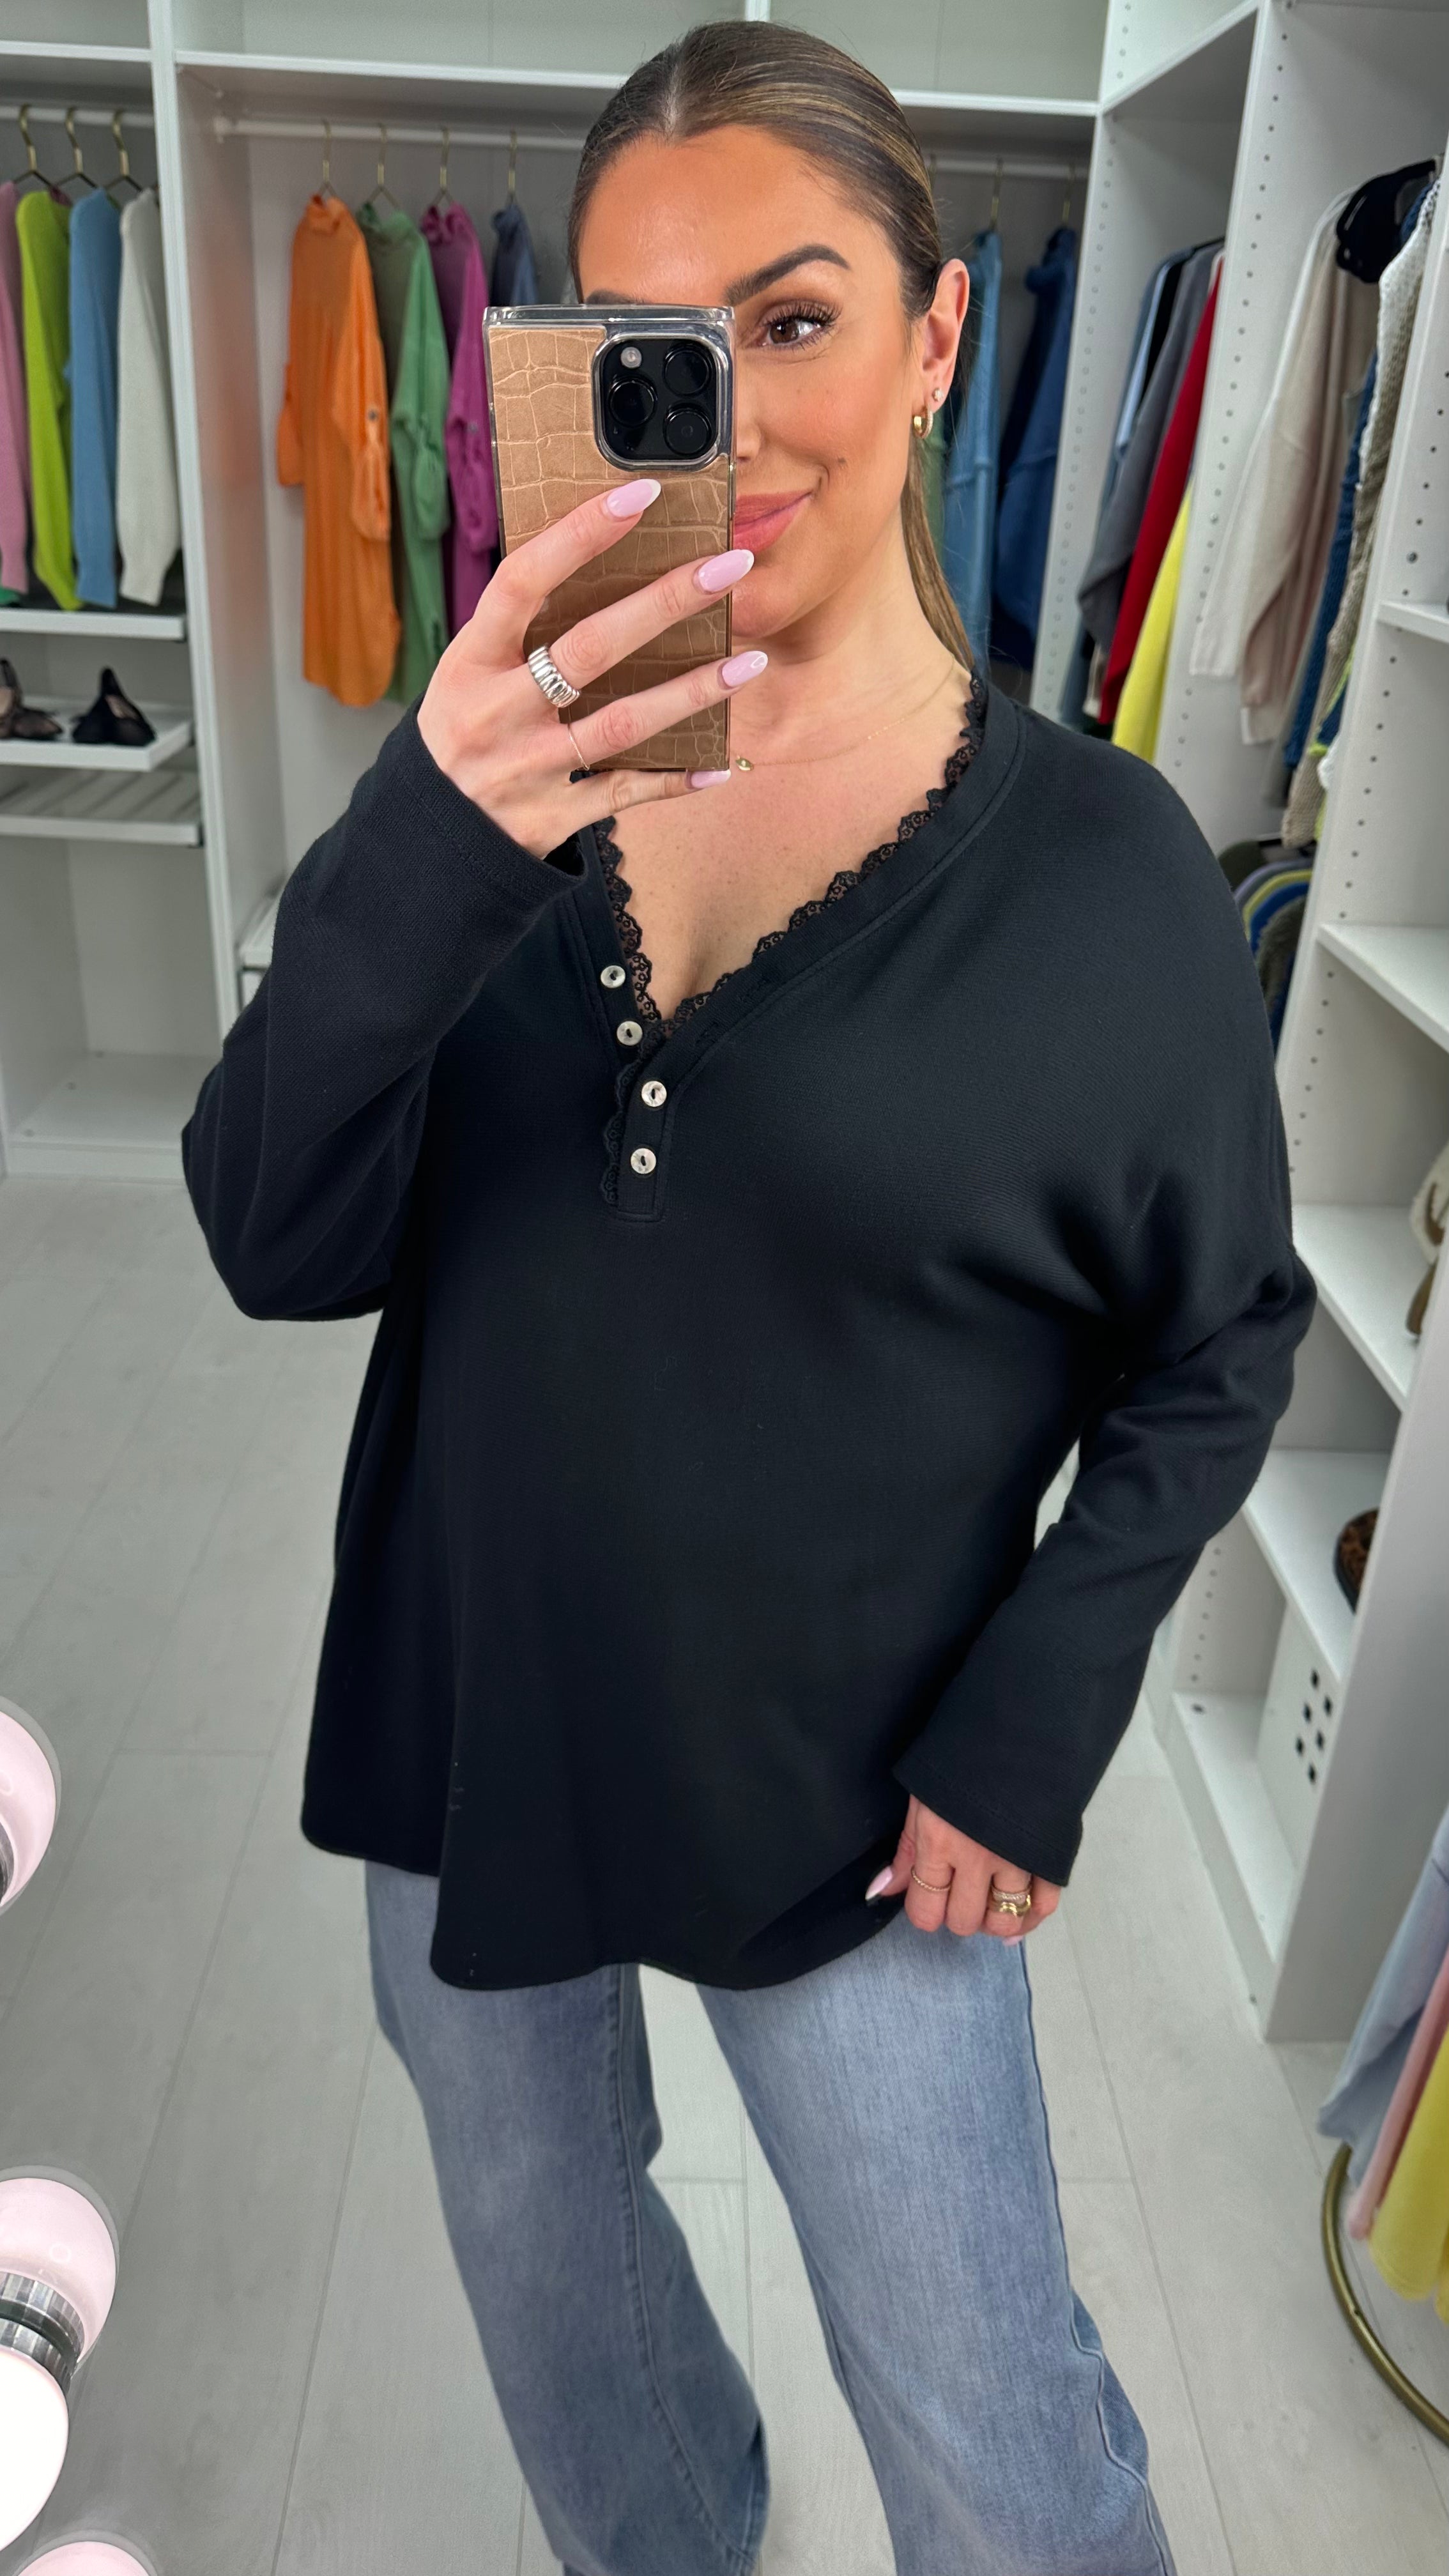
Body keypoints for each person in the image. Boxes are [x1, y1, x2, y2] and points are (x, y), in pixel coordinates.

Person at [183, 21, 1315, 2576]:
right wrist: (432, 834)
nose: (733, 413)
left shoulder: (1105, 876)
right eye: (649, 348)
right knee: (556, 2300)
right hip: (468, 1720)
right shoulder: (491, 788)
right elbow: (273, 1232)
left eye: (795, 320)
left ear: (936, 339)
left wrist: (1034, 1721)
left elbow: (1221, 1337)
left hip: (859, 1798)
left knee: (998, 2445)